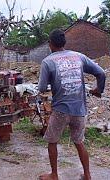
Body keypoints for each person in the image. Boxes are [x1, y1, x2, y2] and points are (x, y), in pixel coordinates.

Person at [38, 29, 106, 180]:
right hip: (79, 110)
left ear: (50, 44)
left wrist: (53, 83)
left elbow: (42, 88)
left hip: (61, 110)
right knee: (79, 142)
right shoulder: (79, 56)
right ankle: (87, 175)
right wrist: (98, 90)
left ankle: (54, 175)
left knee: (52, 141)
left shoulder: (48, 61)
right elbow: (101, 73)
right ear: (64, 42)